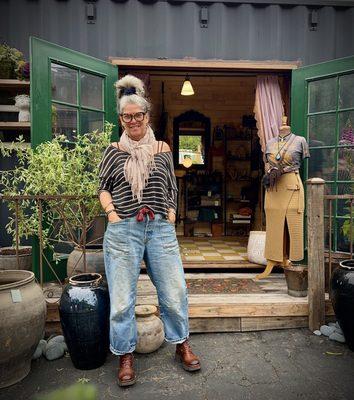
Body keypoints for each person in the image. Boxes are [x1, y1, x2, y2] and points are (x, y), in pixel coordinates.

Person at [98, 75, 201, 387]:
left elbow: (171, 186)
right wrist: (112, 215)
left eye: (138, 115)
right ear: (121, 119)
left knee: (174, 291)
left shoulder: (162, 148)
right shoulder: (113, 150)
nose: (133, 121)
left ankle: (181, 343)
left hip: (159, 228)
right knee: (121, 300)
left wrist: (170, 215)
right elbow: (103, 188)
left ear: (146, 116)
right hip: (123, 230)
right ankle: (125, 355)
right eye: (127, 116)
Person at [256, 116, 310, 280]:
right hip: (274, 186)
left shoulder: (300, 141)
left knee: (294, 221)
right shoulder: (270, 143)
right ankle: (272, 259)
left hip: (292, 183)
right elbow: (269, 162)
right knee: (273, 224)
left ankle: (293, 260)